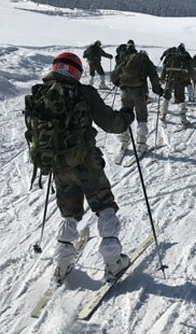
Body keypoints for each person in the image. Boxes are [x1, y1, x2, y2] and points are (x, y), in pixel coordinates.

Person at [24, 52, 135, 282]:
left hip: (57, 165)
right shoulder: (84, 93)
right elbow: (111, 123)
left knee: (70, 212)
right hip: (86, 163)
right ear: (75, 71)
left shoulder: (39, 93)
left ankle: (63, 263)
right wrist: (126, 117)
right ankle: (113, 262)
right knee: (104, 206)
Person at [111, 43, 163, 156]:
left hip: (125, 91)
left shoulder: (125, 59)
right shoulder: (144, 59)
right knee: (142, 117)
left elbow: (114, 75)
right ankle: (141, 143)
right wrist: (157, 89)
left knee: (125, 115)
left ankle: (124, 141)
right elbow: (153, 75)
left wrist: (118, 83)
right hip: (139, 92)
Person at [160, 45, 193, 125]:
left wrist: (162, 78)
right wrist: (193, 78)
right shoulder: (185, 58)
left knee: (166, 96)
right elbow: (190, 69)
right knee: (181, 98)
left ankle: (163, 114)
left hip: (170, 79)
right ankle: (183, 118)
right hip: (180, 81)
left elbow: (164, 68)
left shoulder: (171, 57)